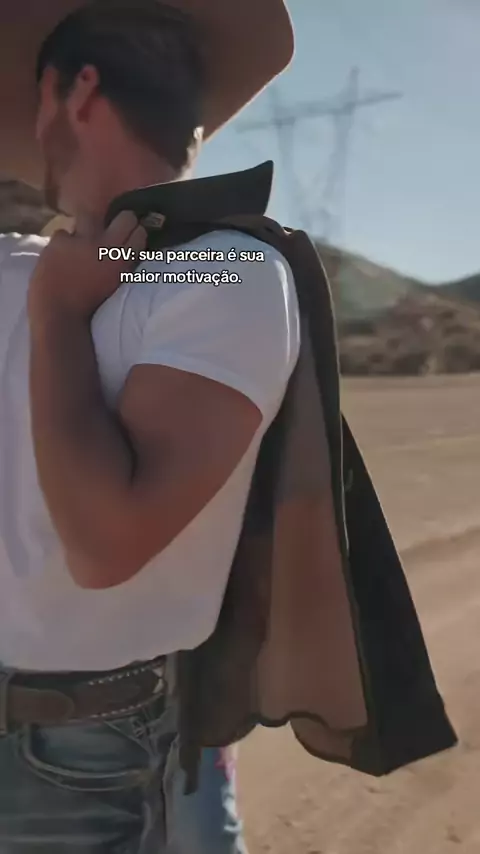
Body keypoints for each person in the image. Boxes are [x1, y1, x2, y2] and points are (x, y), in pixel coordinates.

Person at [0, 0, 296, 851]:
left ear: (77, 91)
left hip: (88, 755)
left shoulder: (229, 271)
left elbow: (105, 546)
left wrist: (60, 317)